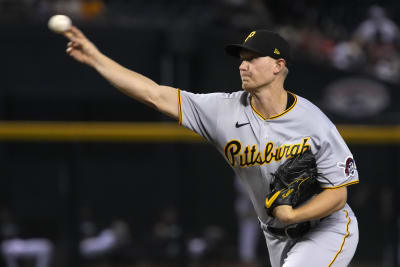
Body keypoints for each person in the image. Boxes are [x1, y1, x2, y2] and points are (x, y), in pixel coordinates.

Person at [63, 27, 359, 266]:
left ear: (278, 66)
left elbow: (338, 194)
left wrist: (294, 215)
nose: (243, 65)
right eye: (242, 58)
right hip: (276, 237)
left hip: (328, 227)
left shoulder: (312, 121)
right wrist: (97, 59)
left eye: (253, 58)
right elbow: (154, 94)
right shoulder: (222, 111)